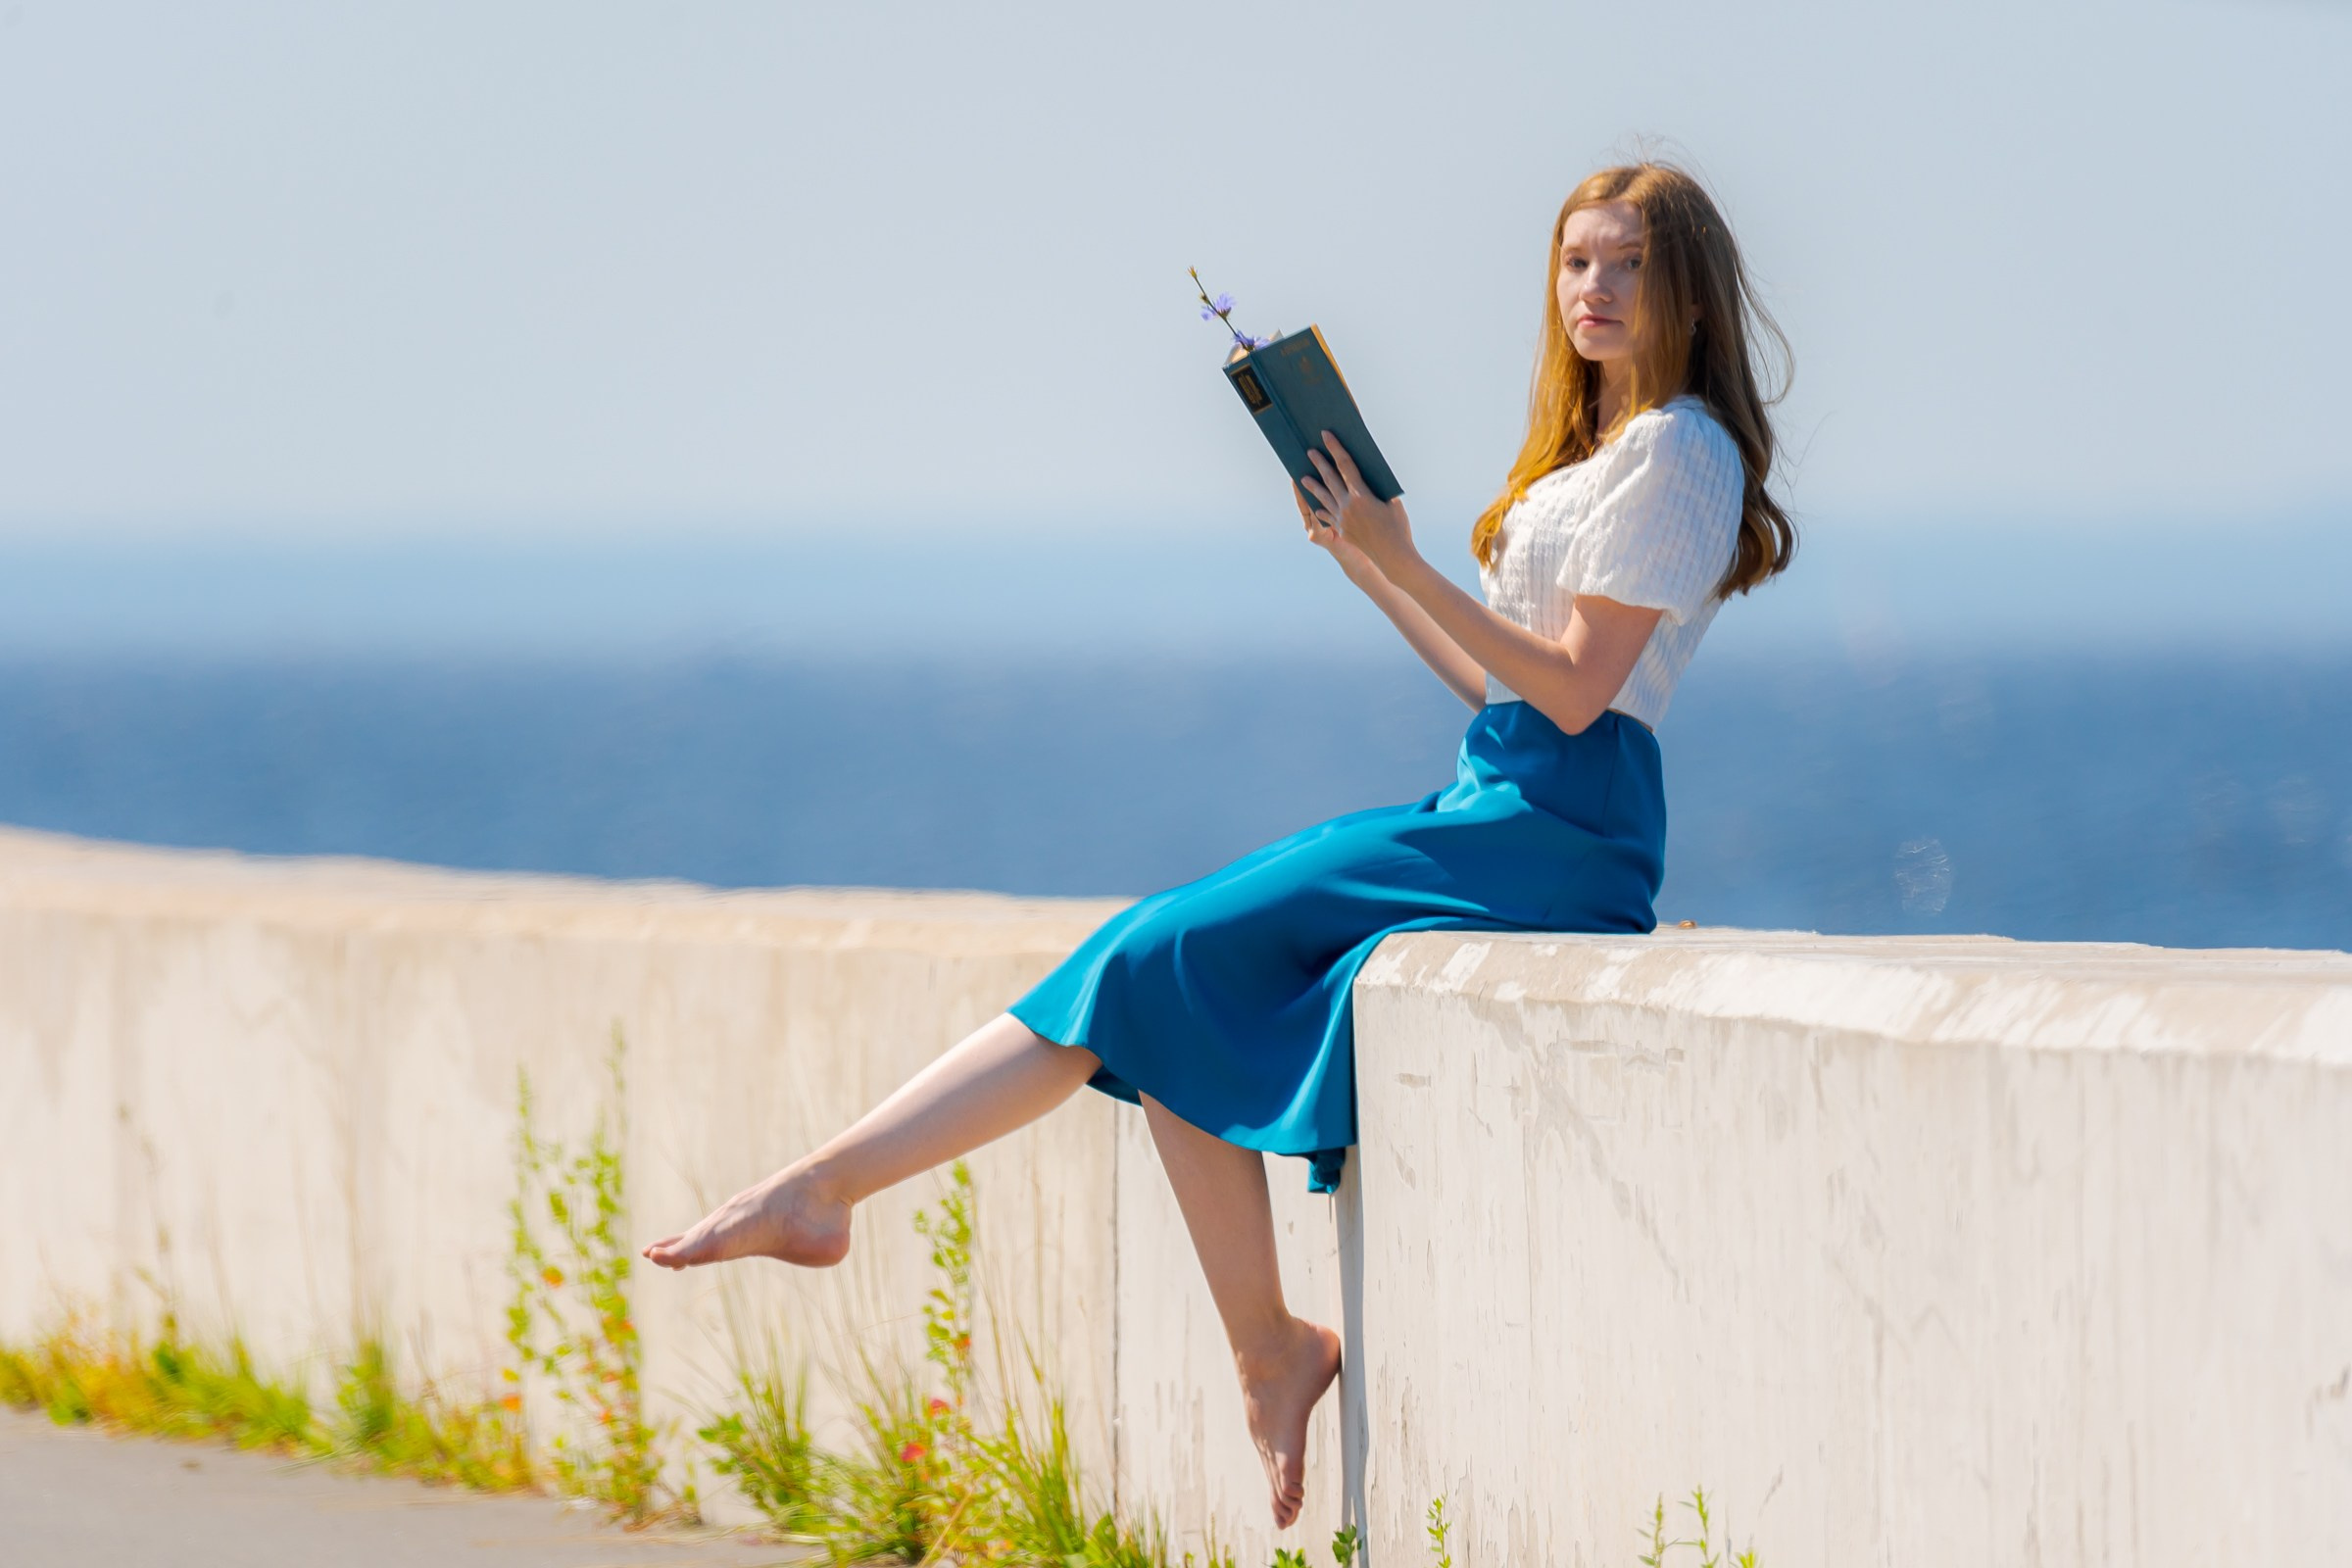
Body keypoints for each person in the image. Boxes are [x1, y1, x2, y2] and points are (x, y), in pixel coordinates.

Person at [643, 160, 1795, 1531]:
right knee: (1172, 965)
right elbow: (1498, 693)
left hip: (1565, 827)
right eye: (1574, 264)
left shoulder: (1681, 451)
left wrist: (1405, 558)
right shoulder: (1594, 450)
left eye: (1627, 266)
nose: (1594, 291)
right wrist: (1369, 559)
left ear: (1687, 289)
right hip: (1500, 798)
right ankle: (1260, 1343)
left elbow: (1576, 689)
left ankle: (829, 1191)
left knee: (1163, 948)